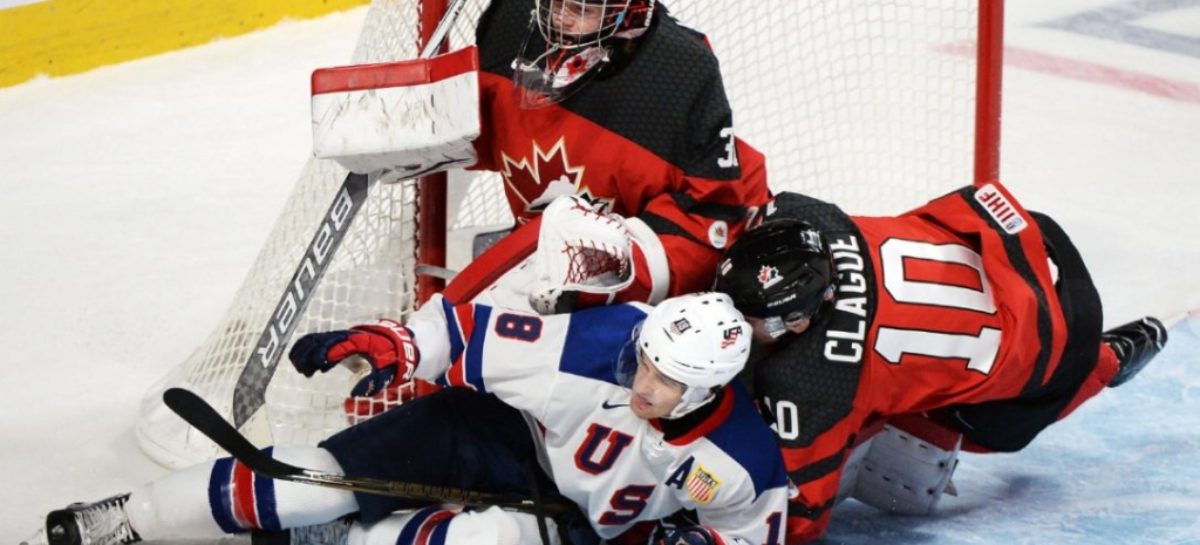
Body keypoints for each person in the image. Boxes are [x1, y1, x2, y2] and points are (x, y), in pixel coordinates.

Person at [27, 292, 789, 545]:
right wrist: (396, 341)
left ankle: (349, 535)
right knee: (311, 480)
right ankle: (129, 515)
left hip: (564, 521)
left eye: (664, 376)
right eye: (647, 358)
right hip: (486, 431)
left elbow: (750, 532)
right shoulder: (605, 343)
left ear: (707, 387)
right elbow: (474, 334)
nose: (642, 376)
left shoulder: (743, 458)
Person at [711, 183, 1168, 544]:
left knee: (909, 471)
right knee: (876, 390)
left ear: (797, 319)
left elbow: (798, 518)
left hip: (1044, 346)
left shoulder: (817, 380)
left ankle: (1105, 362)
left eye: (750, 320)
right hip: (1015, 253)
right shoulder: (807, 215)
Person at [443, 0, 770, 311]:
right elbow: (486, 130)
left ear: (630, 11)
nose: (560, 18)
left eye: (580, 8)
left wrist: (618, 279)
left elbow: (711, 212)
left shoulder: (680, 74)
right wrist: (429, 130)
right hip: (539, 249)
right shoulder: (512, 18)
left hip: (639, 280)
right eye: (557, 3)